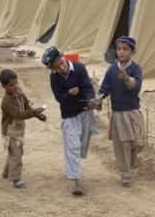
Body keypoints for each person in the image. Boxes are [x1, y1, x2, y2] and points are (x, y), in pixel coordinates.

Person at [42, 46, 99, 196]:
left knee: (81, 145)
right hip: (69, 115)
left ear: (63, 55)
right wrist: (69, 94)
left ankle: (74, 169)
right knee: (72, 146)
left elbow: (87, 87)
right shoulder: (54, 78)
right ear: (51, 69)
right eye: (56, 67)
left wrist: (90, 101)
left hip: (85, 112)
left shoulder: (79, 68)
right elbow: (59, 98)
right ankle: (77, 181)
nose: (62, 67)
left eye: (61, 62)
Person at [97, 36, 145, 188]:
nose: (121, 52)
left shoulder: (135, 68)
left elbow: (137, 86)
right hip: (119, 114)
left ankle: (129, 166)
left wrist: (126, 78)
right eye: (119, 49)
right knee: (122, 145)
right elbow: (104, 89)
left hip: (133, 112)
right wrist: (96, 100)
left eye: (125, 49)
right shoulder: (111, 70)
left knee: (138, 142)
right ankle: (125, 174)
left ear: (133, 52)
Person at [0, 69, 46, 188]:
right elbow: (18, 114)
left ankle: (6, 172)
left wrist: (38, 114)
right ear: (4, 87)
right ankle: (16, 179)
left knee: (17, 153)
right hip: (10, 132)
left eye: (16, 83)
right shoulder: (6, 101)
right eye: (11, 85)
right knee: (16, 155)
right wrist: (33, 112)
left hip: (19, 130)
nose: (15, 86)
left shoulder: (19, 93)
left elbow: (27, 105)